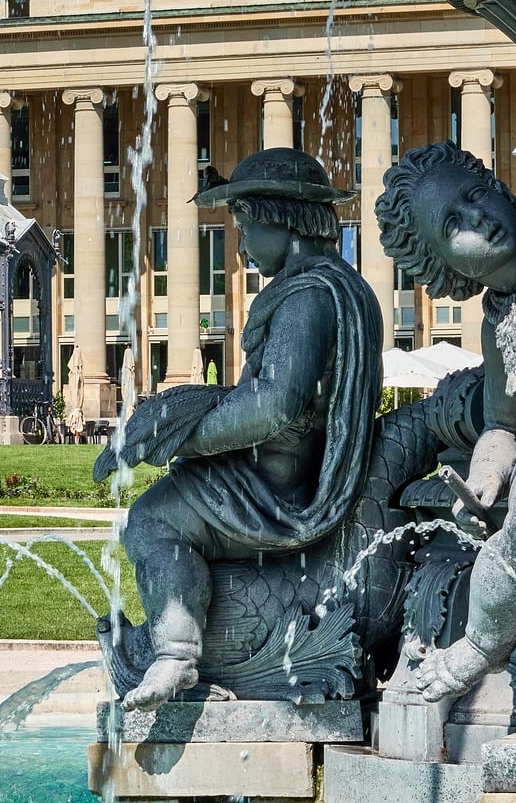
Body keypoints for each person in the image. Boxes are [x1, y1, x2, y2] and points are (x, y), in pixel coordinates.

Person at [118, 147, 384, 712]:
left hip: (274, 487)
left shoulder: (308, 297)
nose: (240, 247)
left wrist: (183, 436)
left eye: (245, 227)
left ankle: (175, 653)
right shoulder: (344, 287)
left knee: (150, 520)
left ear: (281, 220)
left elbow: (273, 407)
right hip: (286, 474)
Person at [375, 137, 516, 704]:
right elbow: (504, 424)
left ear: (500, 191)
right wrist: (485, 477)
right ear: (442, 266)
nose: (478, 218)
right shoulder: (499, 323)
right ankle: (480, 645)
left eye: (476, 195)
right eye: (452, 224)